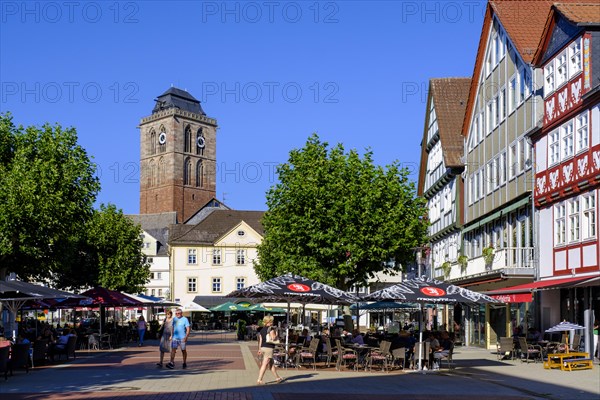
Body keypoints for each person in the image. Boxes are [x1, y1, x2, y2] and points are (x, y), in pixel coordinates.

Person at [256, 315, 283, 385]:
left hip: (263, 348)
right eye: (272, 321)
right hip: (268, 348)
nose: (273, 322)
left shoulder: (262, 329)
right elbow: (273, 338)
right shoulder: (271, 329)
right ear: (269, 321)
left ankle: (277, 377)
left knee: (271, 364)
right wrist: (276, 334)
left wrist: (259, 349)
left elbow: (260, 340)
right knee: (264, 364)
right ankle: (259, 379)